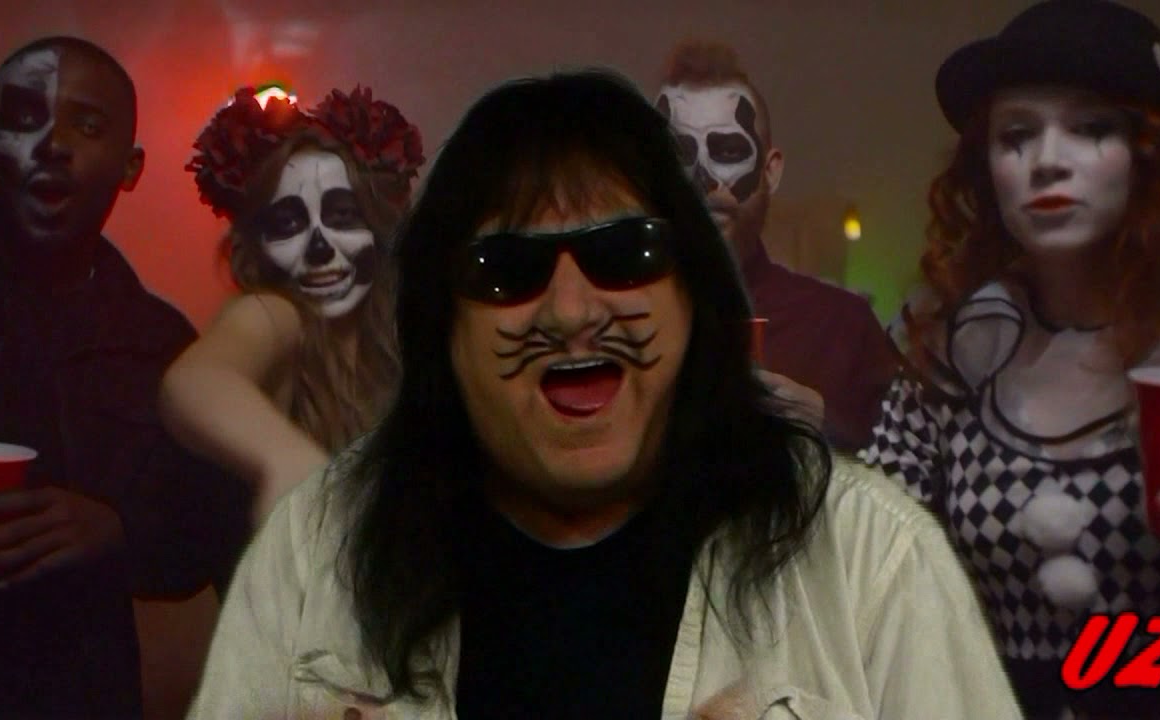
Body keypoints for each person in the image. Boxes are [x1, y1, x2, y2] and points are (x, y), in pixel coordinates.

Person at [189, 69, 1020, 720]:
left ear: (694, 299)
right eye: (507, 270)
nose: (572, 311)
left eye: (625, 254)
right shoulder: (314, 554)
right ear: (444, 326)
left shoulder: (873, 562)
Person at [861, 2, 1160, 717]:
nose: (1048, 160)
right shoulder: (951, 354)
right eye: (1017, 135)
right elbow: (864, 548)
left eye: (1091, 128)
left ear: (1147, 155)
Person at [0, 36, 250, 717]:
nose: (52, 143)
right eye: (25, 118)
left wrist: (117, 529)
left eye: (85, 125)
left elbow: (207, 535)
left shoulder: (159, 344)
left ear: (130, 167)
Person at [161, 85, 421, 522]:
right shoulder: (275, 312)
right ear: (257, 247)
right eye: (288, 224)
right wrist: (286, 461)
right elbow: (196, 380)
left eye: (342, 216)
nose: (319, 247)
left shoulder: (405, 338)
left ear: (377, 230)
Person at [654, 41, 899, 451]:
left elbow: (910, 475)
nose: (702, 179)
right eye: (677, 155)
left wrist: (823, 425)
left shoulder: (842, 326)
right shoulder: (617, 316)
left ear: (770, 172)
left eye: (728, 151)